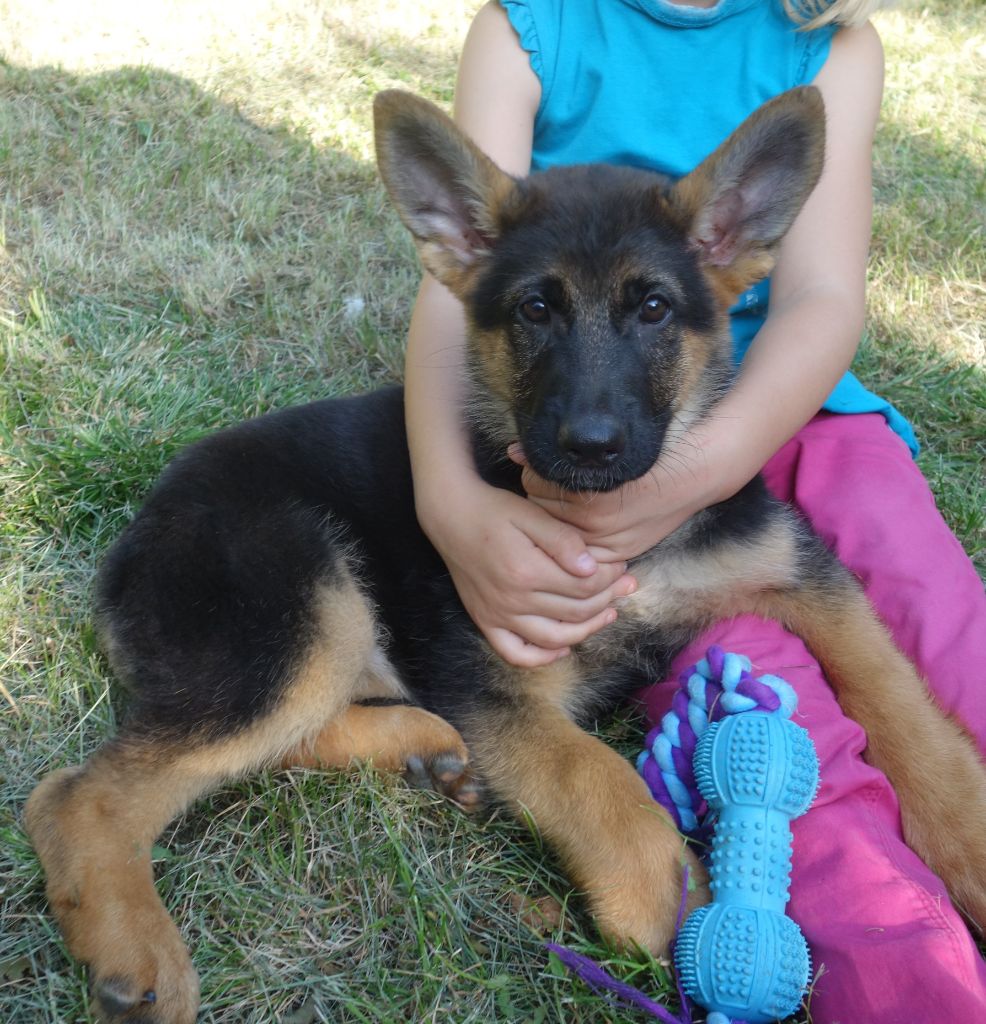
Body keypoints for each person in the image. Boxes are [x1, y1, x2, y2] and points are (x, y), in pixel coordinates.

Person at [402, 1, 986, 1021]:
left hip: (800, 417)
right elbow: (458, 288)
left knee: (937, 622)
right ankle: (907, 978)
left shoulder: (826, 40)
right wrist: (450, 502)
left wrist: (705, 466)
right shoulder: (533, 28)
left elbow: (822, 301)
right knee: (764, 713)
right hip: (624, 466)